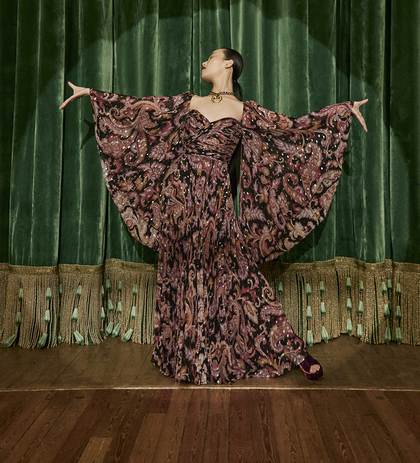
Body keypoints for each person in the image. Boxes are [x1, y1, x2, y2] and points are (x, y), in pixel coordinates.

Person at [60, 48, 367, 385]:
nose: (204, 62)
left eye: (211, 57)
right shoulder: (189, 102)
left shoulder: (242, 111)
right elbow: (141, 108)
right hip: (177, 201)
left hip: (214, 202)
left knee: (242, 278)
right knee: (181, 272)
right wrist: (94, 95)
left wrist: (341, 112)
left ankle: (293, 351)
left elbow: (293, 130)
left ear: (229, 64)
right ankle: (187, 356)